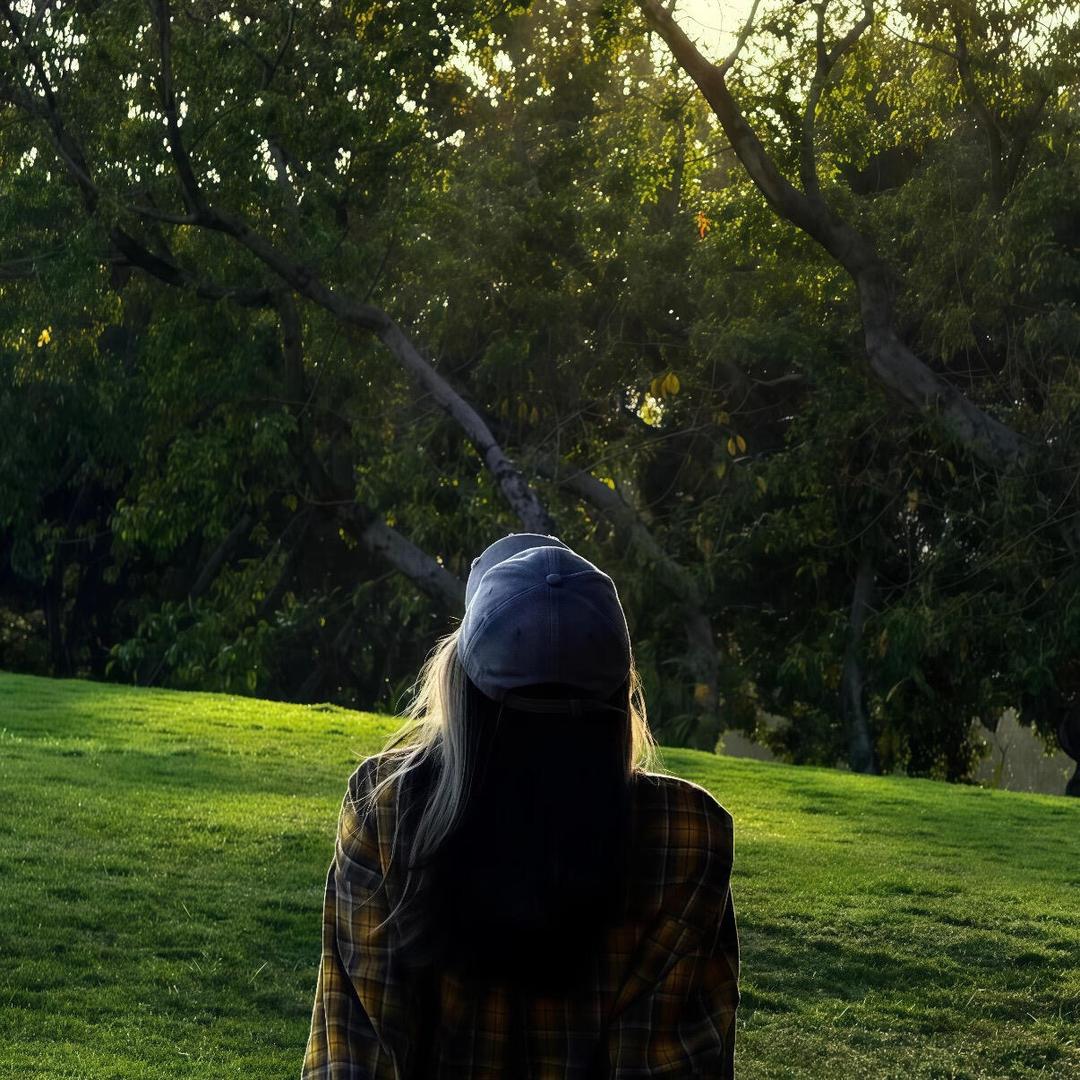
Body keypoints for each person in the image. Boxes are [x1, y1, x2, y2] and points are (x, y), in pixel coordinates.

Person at [301, 533, 740, 1078]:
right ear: (619, 697)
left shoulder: (386, 807)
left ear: (459, 687)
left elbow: (354, 1053)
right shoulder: (685, 835)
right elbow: (669, 1062)